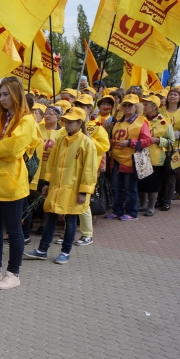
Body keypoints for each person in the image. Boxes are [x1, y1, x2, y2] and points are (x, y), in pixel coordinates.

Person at [0, 77, 40, 290]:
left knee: (13, 229)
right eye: (0, 95)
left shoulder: (27, 120)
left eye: (5, 94)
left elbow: (13, 149)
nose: (1, 99)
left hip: (12, 183)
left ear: (16, 94)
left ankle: (14, 272)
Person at [24, 107, 98, 265]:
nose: (67, 124)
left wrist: (84, 191)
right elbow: (51, 163)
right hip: (56, 187)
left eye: (71, 122)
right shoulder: (61, 140)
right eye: (66, 121)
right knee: (50, 216)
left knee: (71, 220)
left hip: (73, 188)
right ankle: (42, 250)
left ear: (80, 123)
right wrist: (47, 182)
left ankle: (65, 251)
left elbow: (90, 170)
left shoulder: (86, 143)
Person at [107, 94, 152, 221]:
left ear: (136, 107)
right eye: (125, 105)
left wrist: (130, 142)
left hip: (131, 160)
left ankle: (132, 212)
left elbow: (147, 141)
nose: (127, 107)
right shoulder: (118, 121)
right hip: (116, 158)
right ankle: (117, 210)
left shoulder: (141, 121)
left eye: (130, 105)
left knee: (129, 188)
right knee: (116, 187)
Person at [73, 93, 110, 246]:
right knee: (71, 201)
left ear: (89, 109)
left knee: (84, 203)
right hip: (71, 170)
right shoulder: (70, 124)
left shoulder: (98, 128)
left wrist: (87, 136)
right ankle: (69, 232)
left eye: (82, 106)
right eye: (77, 105)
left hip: (87, 170)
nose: (79, 108)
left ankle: (87, 234)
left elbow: (103, 147)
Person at [23, 105, 64, 240]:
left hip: (51, 170)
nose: (47, 116)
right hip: (35, 169)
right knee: (32, 196)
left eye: (51, 114)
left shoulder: (62, 133)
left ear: (58, 117)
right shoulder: (37, 128)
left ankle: (44, 223)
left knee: (48, 198)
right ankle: (27, 222)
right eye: (46, 113)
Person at [137, 96, 174, 216]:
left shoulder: (165, 121)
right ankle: (142, 204)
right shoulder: (139, 119)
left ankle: (151, 207)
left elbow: (171, 141)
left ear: (154, 107)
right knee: (142, 181)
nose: (144, 107)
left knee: (153, 183)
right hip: (141, 154)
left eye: (146, 104)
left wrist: (158, 140)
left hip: (156, 156)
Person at [158, 87, 180, 210]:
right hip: (160, 147)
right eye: (170, 94)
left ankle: (167, 201)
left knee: (171, 175)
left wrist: (172, 134)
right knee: (160, 174)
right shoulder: (160, 111)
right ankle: (159, 199)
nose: (172, 96)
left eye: (175, 95)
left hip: (176, 148)